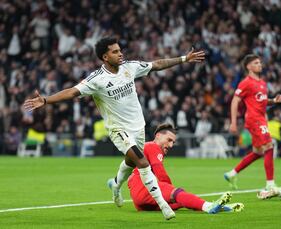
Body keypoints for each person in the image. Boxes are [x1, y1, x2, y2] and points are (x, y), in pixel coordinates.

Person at [23, 37, 205, 220]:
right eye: (115, 52)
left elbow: (156, 64)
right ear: (105, 57)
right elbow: (72, 92)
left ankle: (116, 186)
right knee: (142, 162)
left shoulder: (129, 67)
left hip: (138, 127)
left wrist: (184, 59)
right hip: (118, 129)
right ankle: (164, 207)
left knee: (131, 161)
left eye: (120, 50)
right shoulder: (97, 80)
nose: (120, 54)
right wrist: (46, 100)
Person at [128, 123, 244, 213]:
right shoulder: (153, 146)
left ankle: (220, 207)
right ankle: (209, 207)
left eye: (173, 142)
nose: (171, 145)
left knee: (181, 201)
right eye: (169, 140)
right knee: (177, 193)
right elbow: (161, 174)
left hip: (139, 197)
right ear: (158, 135)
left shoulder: (147, 146)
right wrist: (171, 190)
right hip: (143, 187)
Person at [224, 54, 281, 190]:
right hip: (254, 119)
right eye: (256, 63)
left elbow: (261, 101)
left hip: (261, 119)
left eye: (260, 62)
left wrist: (273, 101)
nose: (260, 65)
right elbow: (235, 100)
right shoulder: (246, 82)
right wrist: (233, 122)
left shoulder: (262, 83)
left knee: (258, 152)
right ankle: (270, 184)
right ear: (248, 66)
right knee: (269, 145)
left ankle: (232, 173)